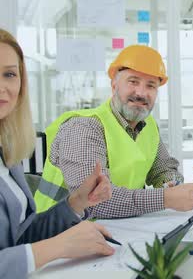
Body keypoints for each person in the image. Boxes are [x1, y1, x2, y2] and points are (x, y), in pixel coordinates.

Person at [34, 45, 193, 218]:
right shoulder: (83, 128)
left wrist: (171, 184)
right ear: (114, 84)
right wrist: (166, 198)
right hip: (58, 231)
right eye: (133, 81)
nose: (141, 93)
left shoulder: (148, 125)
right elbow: (93, 202)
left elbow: (163, 169)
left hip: (119, 227)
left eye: (151, 85)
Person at [0, 28, 115, 279]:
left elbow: (19, 238)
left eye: (9, 74)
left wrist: (76, 203)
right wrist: (58, 247)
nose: (2, 87)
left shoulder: (7, 154)